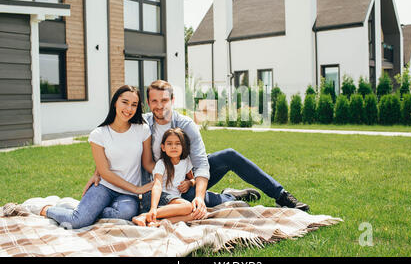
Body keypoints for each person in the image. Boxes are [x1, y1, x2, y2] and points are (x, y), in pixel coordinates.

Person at [84, 80, 309, 221]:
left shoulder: (185, 125)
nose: (159, 106)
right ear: (149, 103)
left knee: (228, 155)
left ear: (172, 100)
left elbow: (201, 164)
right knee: (194, 201)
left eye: (164, 100)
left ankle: (281, 195)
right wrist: (98, 170)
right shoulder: (142, 123)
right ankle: (229, 197)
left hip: (188, 176)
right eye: (154, 101)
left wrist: (199, 194)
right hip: (163, 184)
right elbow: (114, 140)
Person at [40, 85, 156, 229]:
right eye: (124, 102)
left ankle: (86, 211)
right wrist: (137, 189)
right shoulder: (99, 134)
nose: (129, 109)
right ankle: (46, 209)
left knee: (126, 213)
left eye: (134, 104)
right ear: (115, 102)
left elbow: (147, 163)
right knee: (76, 222)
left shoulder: (142, 129)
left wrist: (167, 173)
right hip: (104, 187)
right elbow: (104, 172)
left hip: (127, 194)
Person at [132, 128, 198, 227]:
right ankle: (145, 215)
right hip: (157, 197)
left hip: (171, 202)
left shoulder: (186, 161)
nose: (173, 147)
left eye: (178, 143)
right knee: (188, 206)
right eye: (169, 144)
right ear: (163, 147)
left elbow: (193, 179)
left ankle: (157, 222)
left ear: (183, 146)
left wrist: (189, 183)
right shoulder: (161, 164)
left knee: (194, 215)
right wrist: (153, 207)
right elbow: (157, 185)